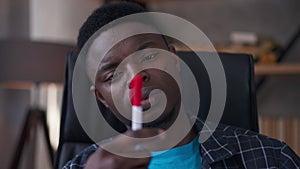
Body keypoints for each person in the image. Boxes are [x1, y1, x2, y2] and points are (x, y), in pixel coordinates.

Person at [63, 2, 300, 169]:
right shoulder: (79, 168)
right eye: (113, 74)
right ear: (102, 98)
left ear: (175, 59)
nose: (137, 76)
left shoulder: (270, 160)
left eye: (148, 57)